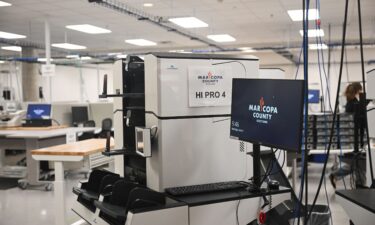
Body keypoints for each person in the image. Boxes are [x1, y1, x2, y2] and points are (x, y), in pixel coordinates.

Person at [329, 82, 367, 189]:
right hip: (352, 139)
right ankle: (359, 184)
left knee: (357, 163)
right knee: (359, 162)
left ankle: (359, 183)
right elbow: (358, 120)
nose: (361, 92)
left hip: (352, 138)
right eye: (361, 90)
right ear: (357, 91)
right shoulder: (354, 104)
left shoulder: (350, 102)